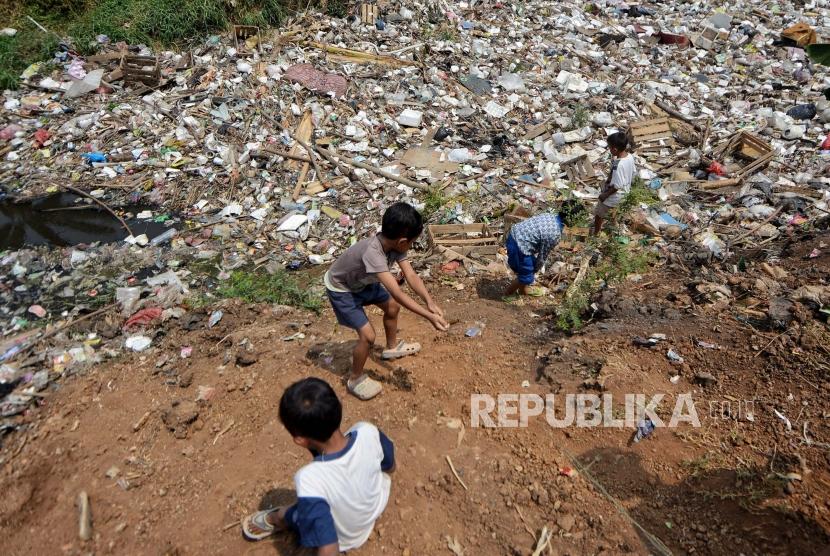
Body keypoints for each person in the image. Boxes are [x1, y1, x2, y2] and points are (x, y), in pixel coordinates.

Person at [242, 378, 395, 554]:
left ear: (299, 439)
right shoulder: (367, 431)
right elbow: (390, 466)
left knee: (296, 513)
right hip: (375, 504)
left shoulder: (310, 479)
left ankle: (276, 518)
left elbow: (329, 550)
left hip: (348, 536)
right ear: (339, 407)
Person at [324, 202, 449, 400]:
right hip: (343, 289)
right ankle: (354, 378)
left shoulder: (395, 245)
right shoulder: (373, 253)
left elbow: (411, 275)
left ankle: (391, 348)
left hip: (364, 282)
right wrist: (428, 316)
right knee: (368, 337)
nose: (411, 246)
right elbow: (398, 292)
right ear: (403, 241)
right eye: (412, 242)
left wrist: (429, 302)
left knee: (392, 306)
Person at [503, 199, 586, 297]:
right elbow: (542, 256)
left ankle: (522, 290)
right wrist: (534, 271)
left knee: (528, 267)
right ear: (571, 218)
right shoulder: (554, 233)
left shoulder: (549, 215)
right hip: (519, 245)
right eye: (577, 219)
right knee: (527, 277)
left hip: (514, 235)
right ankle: (507, 294)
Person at [593, 131, 636, 236]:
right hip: (625, 192)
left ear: (615, 149)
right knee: (615, 211)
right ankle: (615, 226)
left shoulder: (619, 165)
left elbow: (617, 186)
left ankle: (596, 234)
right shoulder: (629, 157)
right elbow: (633, 172)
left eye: (609, 147)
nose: (609, 149)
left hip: (615, 195)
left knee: (599, 213)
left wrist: (604, 195)